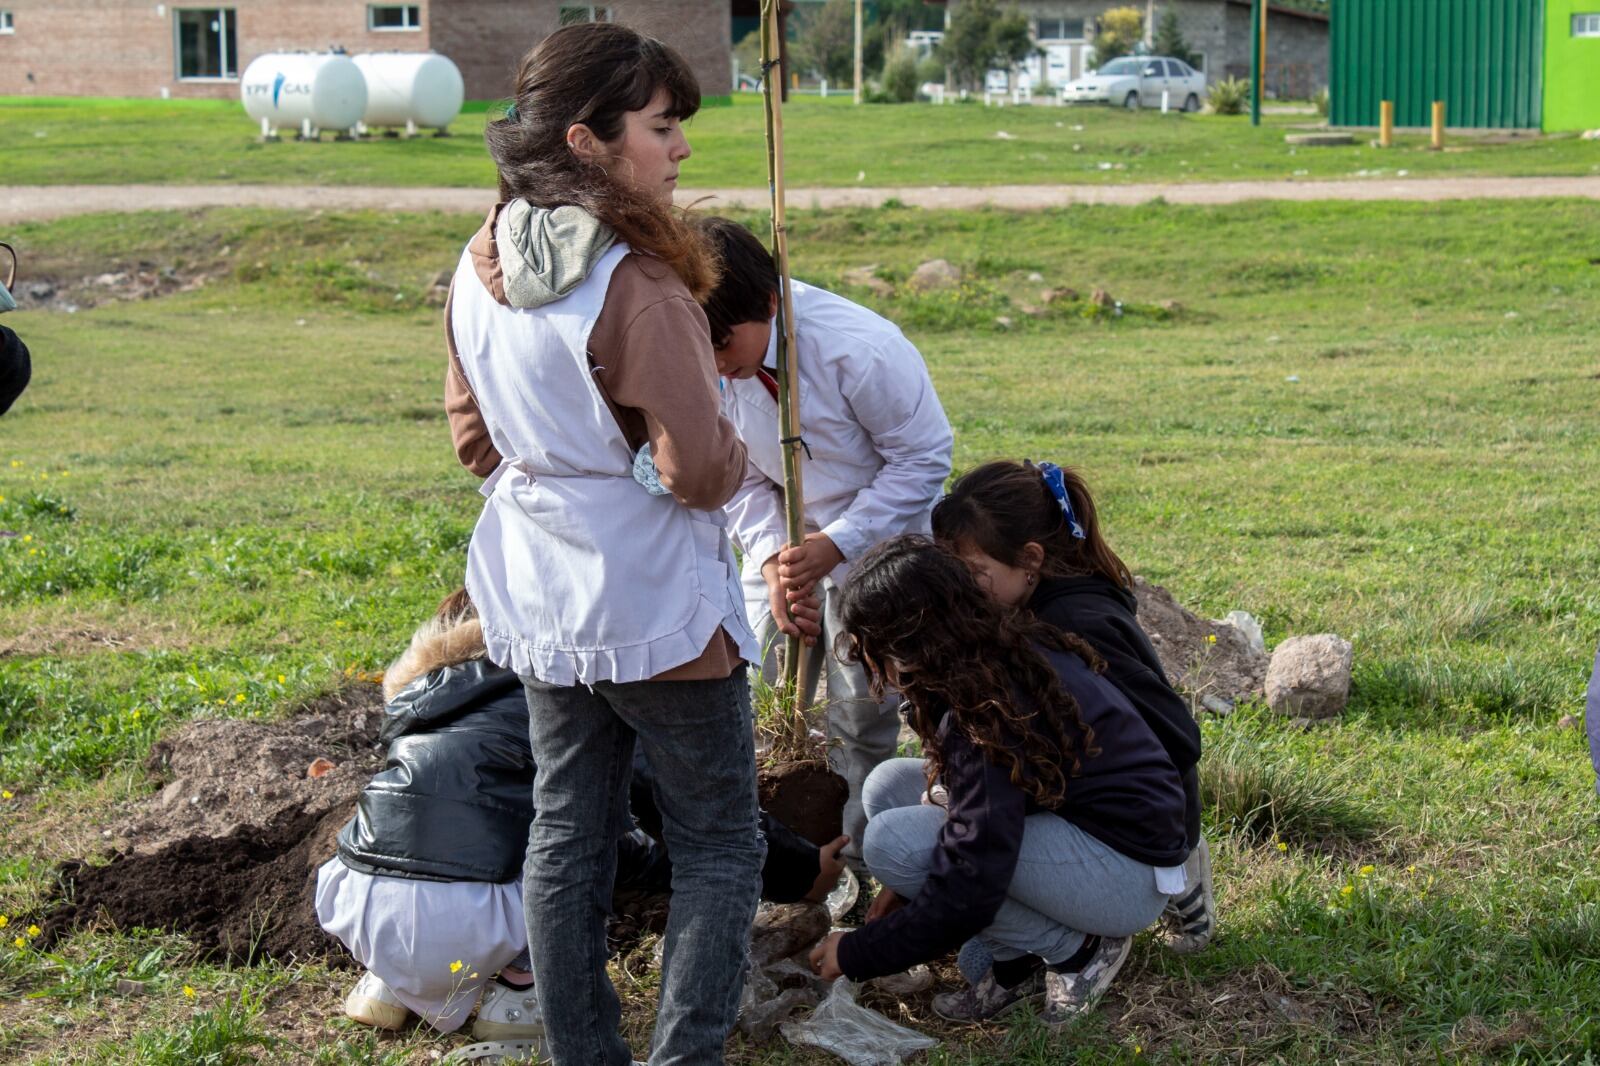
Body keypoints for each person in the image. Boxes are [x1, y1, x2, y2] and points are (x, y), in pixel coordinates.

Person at [442, 23, 764, 1065]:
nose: (679, 151)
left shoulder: (475, 260)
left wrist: (559, 478)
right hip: (654, 598)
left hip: (540, 584)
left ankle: (582, 1053)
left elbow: (471, 438)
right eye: (662, 127)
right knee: (718, 840)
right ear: (587, 140)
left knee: (567, 831)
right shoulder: (637, 282)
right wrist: (676, 467)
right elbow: (696, 471)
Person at [314, 591, 845, 1051]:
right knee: (569, 855)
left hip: (356, 897)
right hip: (470, 910)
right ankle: (520, 995)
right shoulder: (559, 693)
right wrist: (800, 869)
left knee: (453, 836)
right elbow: (671, 808)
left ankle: (389, 981)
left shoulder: (421, 702)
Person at [806, 537, 1189, 1025]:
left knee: (894, 844)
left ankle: (1077, 949)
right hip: (1096, 834)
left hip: (1125, 876)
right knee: (886, 787)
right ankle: (1020, 958)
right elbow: (982, 806)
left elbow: (972, 877)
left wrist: (860, 951)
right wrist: (910, 895)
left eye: (871, 647)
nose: (869, 662)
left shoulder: (987, 714)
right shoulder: (985, 657)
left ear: (908, 643)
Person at [698, 216, 953, 866]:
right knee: (778, 700)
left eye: (725, 342)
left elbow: (923, 459)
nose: (718, 364)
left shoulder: (858, 349)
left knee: (864, 715)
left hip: (884, 553)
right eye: (703, 348)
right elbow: (739, 478)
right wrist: (776, 560)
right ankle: (794, 856)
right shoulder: (704, 362)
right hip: (790, 552)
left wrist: (836, 546)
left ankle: (862, 861)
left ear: (773, 303)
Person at [930, 459, 1214, 953]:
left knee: (965, 836)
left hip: (1131, 820)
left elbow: (1177, 737)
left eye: (975, 572)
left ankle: (1172, 883)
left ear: (1031, 560)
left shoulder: (1075, 623)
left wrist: (1174, 836)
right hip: (1098, 798)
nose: (964, 586)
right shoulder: (1032, 607)